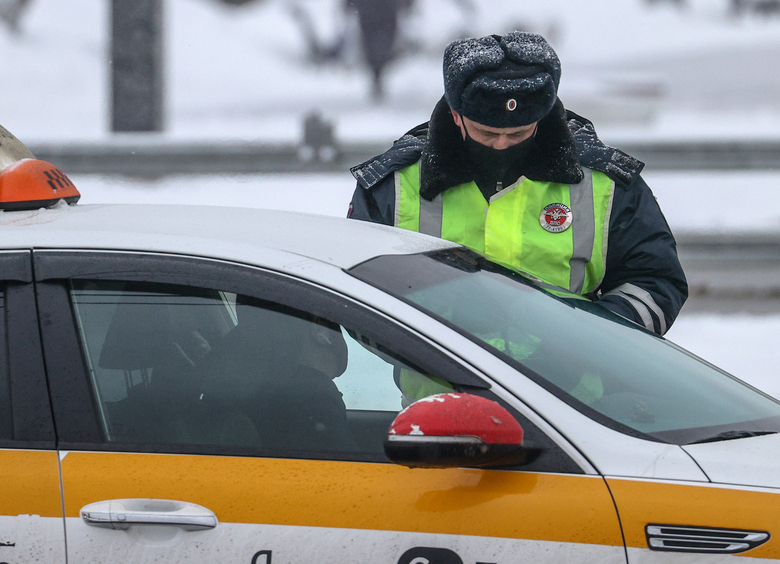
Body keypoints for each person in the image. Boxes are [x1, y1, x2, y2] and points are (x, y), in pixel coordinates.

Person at [347, 31, 687, 336]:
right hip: (440, 399)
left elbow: (654, 282)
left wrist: (587, 340)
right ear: (455, 115)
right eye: (487, 132)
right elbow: (357, 297)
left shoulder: (606, 184)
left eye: (519, 133)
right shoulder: (392, 185)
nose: (501, 145)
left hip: (570, 397)